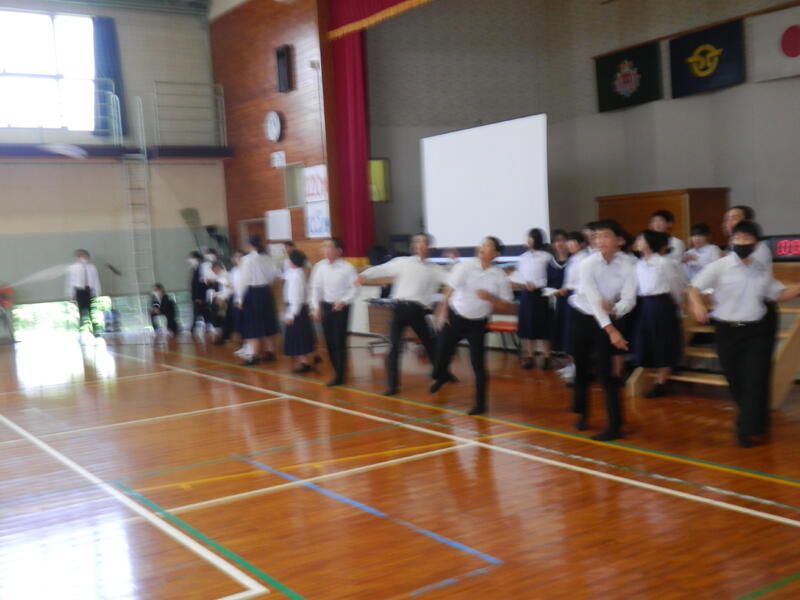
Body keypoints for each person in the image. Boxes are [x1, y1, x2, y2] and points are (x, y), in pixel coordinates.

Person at [687, 220, 800, 448]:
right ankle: (753, 422)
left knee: (754, 380)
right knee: (735, 381)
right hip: (727, 331)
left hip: (756, 332)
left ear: (756, 244)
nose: (742, 242)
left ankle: (746, 429)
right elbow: (693, 288)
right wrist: (697, 305)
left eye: (747, 239)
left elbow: (777, 295)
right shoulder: (720, 266)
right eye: (737, 238)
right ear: (731, 241)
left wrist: (797, 289)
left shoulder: (760, 270)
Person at [569, 220, 637, 441]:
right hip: (582, 315)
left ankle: (615, 425)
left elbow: (629, 298)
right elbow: (593, 299)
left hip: (607, 316)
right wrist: (611, 330)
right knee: (581, 368)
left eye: (605, 235)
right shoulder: (587, 264)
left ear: (619, 240)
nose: (600, 240)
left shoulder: (628, 264)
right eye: (597, 236)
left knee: (606, 373)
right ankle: (582, 414)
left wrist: (616, 309)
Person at [430, 236, 514, 415]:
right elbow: (449, 289)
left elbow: (507, 305)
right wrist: (442, 311)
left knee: (478, 364)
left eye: (487, 245)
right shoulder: (466, 266)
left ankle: (480, 405)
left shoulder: (499, 275)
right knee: (440, 357)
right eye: (482, 244)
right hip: (455, 318)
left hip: (478, 323)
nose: (481, 247)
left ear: (496, 253)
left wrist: (490, 298)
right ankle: (441, 376)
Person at [357, 233, 446, 395]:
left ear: (429, 247)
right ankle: (392, 385)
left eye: (423, 242)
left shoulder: (435, 269)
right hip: (399, 308)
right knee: (393, 346)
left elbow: (453, 281)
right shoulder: (403, 262)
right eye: (417, 242)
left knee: (430, 344)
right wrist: (364, 275)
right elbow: (382, 269)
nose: (419, 245)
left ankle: (441, 375)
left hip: (418, 310)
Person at [632, 230, 686, 398]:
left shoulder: (664, 262)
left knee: (663, 341)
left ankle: (661, 381)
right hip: (645, 304)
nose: (637, 241)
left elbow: (676, 285)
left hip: (662, 304)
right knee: (648, 340)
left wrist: (679, 302)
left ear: (649, 243)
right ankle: (657, 375)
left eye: (641, 239)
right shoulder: (639, 263)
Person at [309, 238, 358, 386]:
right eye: (324, 246)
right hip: (326, 306)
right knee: (329, 342)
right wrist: (315, 307)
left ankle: (340, 375)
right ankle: (337, 371)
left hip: (341, 307)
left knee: (339, 341)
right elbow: (315, 288)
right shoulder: (319, 267)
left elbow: (355, 288)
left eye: (329, 247)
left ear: (339, 251)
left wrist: (343, 301)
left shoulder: (347, 268)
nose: (325, 250)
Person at [234, 235, 279, 366]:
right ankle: (270, 352)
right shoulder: (267, 258)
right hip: (265, 292)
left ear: (249, 245)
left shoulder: (247, 260)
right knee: (266, 322)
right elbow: (273, 275)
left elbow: (243, 280)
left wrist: (239, 298)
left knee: (252, 325)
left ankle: (253, 356)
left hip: (252, 293)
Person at [514, 228, 553, 369]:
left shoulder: (546, 257)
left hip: (540, 294)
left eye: (530, 238)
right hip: (525, 294)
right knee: (527, 327)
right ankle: (529, 356)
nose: (528, 241)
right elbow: (518, 275)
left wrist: (536, 285)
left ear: (537, 239)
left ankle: (547, 357)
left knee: (543, 326)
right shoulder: (523, 257)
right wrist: (521, 283)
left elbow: (550, 277)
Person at [556, 231, 590, 383]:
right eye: (568, 242)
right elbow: (568, 280)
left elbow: (582, 282)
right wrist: (563, 289)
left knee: (574, 335)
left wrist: (568, 288)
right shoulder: (573, 259)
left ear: (582, 244)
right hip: (568, 297)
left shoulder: (585, 259)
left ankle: (578, 368)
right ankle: (571, 364)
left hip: (579, 300)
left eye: (573, 242)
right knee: (567, 333)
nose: (569, 245)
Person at [283, 249, 316, 373]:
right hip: (298, 309)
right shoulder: (296, 273)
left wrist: (292, 314)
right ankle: (305, 360)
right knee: (300, 336)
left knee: (298, 337)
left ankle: (304, 362)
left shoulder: (296, 275)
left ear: (292, 261)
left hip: (296, 310)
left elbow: (295, 297)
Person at [65, 249, 102, 336]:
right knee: (81, 311)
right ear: (77, 257)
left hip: (89, 290)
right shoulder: (73, 268)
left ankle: (95, 331)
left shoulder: (92, 267)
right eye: (80, 256)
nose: (82, 257)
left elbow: (95, 280)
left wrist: (97, 292)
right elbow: (70, 282)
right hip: (79, 291)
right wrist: (70, 295)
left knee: (91, 311)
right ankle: (81, 330)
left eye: (84, 255)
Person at [547, 229, 571, 357]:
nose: (560, 243)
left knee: (572, 331)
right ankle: (568, 361)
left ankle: (575, 363)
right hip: (559, 302)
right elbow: (549, 283)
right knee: (562, 331)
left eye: (563, 240)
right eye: (557, 241)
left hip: (574, 302)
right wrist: (554, 291)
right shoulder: (551, 264)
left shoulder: (574, 261)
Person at [187, 251, 206, 333]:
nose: (190, 260)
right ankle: (194, 329)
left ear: (197, 258)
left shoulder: (201, 268)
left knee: (200, 313)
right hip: (195, 296)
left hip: (200, 296)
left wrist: (200, 297)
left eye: (192, 258)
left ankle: (193, 329)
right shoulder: (194, 269)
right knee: (199, 313)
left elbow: (201, 284)